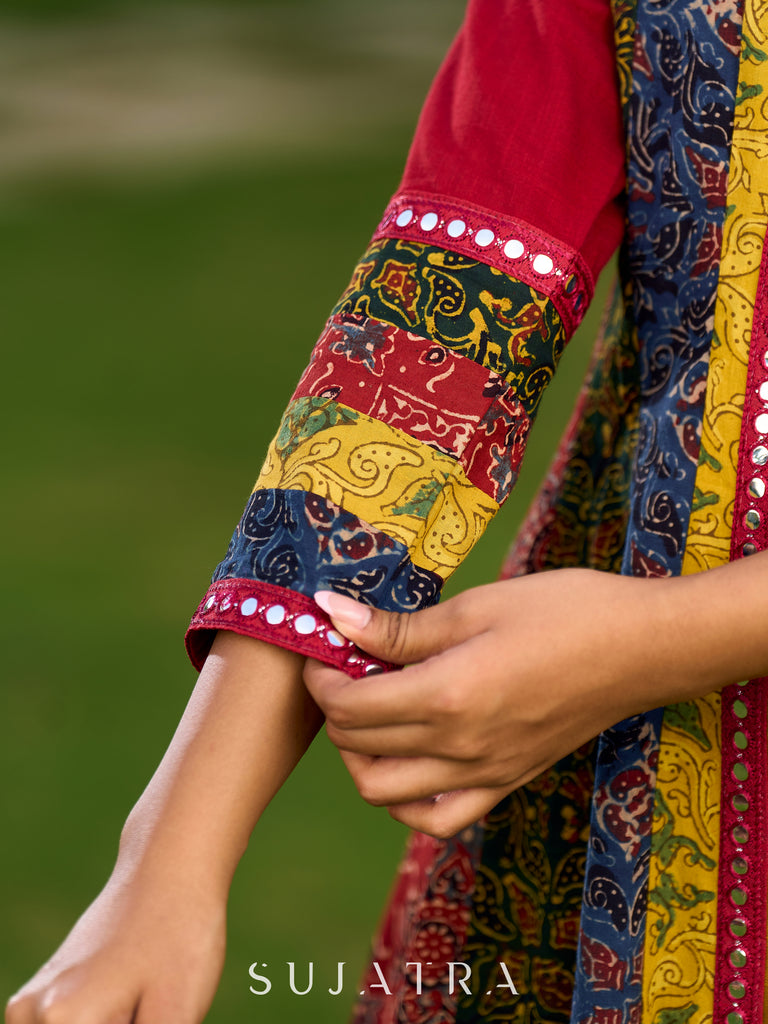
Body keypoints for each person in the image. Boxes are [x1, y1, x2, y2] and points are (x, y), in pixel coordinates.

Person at [6, 0, 768, 1022]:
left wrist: (670, 640)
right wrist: (168, 862)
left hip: (625, 669)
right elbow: (457, 287)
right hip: (641, 775)